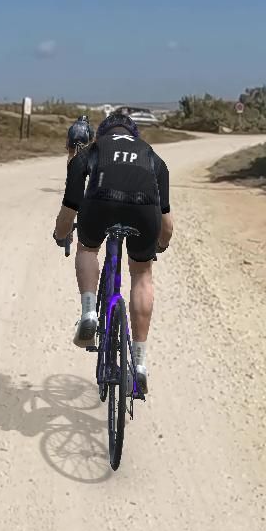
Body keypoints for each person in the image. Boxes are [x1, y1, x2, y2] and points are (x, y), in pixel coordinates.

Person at [51, 111, 173, 393]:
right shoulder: (152, 156)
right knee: (142, 274)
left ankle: (89, 313)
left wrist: (60, 234)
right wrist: (160, 245)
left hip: (100, 204)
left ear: (101, 134)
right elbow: (167, 225)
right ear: (134, 135)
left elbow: (69, 209)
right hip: (144, 211)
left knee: (87, 248)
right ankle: (139, 364)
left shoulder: (92, 151)